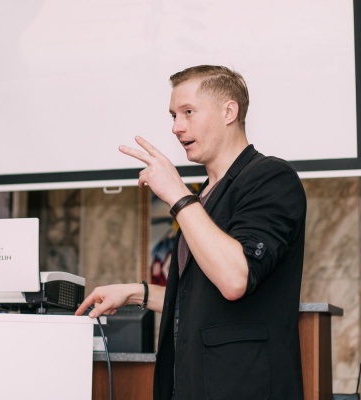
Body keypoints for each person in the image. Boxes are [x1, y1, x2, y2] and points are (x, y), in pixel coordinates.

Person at [75, 65, 306, 399]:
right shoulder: (203, 198)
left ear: (229, 112)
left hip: (245, 387)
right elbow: (197, 299)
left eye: (188, 112)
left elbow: (234, 278)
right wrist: (135, 293)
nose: (176, 127)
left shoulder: (271, 178)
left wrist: (177, 195)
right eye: (173, 116)